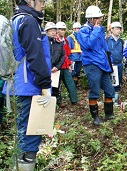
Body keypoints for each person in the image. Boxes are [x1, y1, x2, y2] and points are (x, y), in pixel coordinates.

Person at [2, 0, 52, 169]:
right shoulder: (29, 21)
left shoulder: (17, 19)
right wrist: (45, 85)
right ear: (31, 1)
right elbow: (35, 56)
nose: (43, 4)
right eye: (41, 1)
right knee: (31, 133)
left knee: (23, 131)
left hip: (19, 84)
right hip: (29, 85)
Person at [77, 5, 115, 125]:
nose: (100, 20)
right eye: (97, 17)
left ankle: (109, 115)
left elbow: (104, 47)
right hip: (92, 64)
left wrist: (110, 61)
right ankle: (95, 118)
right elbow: (88, 44)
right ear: (91, 18)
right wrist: (96, 30)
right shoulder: (83, 31)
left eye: (100, 17)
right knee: (95, 91)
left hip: (103, 64)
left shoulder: (100, 29)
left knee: (110, 90)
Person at [56, 21, 80, 106]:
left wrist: (69, 64)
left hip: (65, 65)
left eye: (64, 29)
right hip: (57, 66)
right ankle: (58, 102)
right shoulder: (54, 40)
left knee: (70, 83)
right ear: (57, 30)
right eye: (61, 29)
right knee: (56, 86)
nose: (63, 31)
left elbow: (68, 53)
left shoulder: (65, 40)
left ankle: (74, 100)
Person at [45, 22, 65, 106]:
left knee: (56, 87)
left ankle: (56, 103)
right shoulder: (42, 44)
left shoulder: (59, 44)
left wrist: (57, 67)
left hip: (56, 70)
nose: (53, 32)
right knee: (45, 88)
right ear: (46, 32)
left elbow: (63, 56)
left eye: (54, 30)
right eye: (50, 30)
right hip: (45, 70)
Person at [106, 21, 124, 107]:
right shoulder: (107, 40)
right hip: (110, 65)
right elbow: (106, 53)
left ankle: (115, 101)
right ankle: (108, 100)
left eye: (120, 28)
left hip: (119, 64)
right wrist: (110, 63)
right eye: (117, 28)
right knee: (109, 82)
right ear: (112, 29)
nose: (119, 30)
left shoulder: (121, 41)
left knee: (118, 83)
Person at [67, 22, 83, 87]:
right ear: (74, 29)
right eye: (77, 28)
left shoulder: (81, 37)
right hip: (73, 58)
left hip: (80, 58)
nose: (78, 30)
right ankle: (72, 86)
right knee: (73, 73)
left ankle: (75, 85)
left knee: (77, 73)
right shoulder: (70, 37)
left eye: (79, 28)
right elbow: (68, 49)